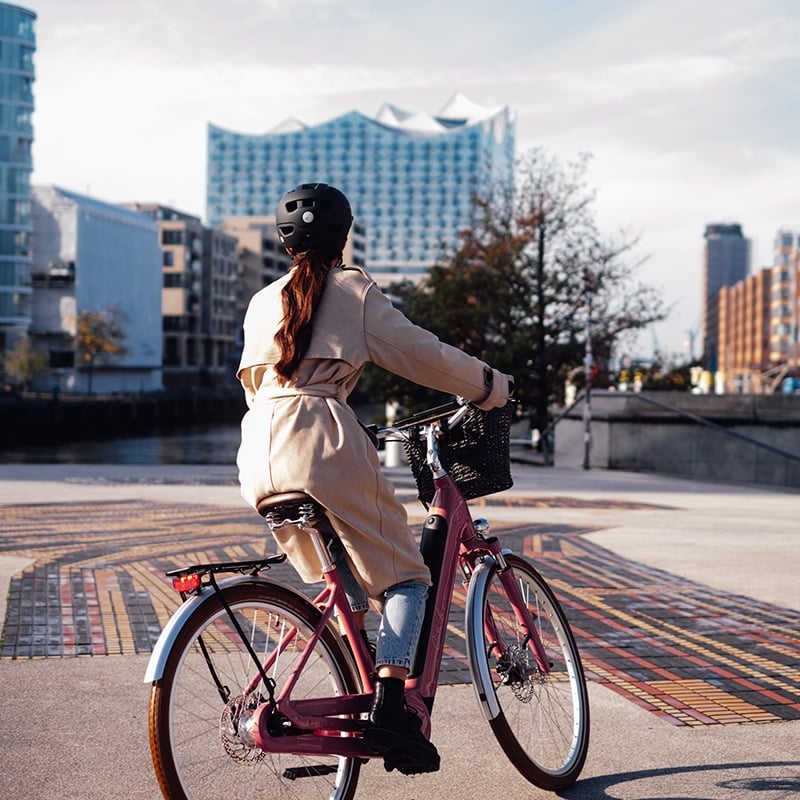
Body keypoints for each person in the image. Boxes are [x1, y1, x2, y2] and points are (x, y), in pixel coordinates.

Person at [236, 182, 513, 771]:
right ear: (344, 236)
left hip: (257, 451)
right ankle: (391, 709)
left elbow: (263, 386)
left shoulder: (261, 302)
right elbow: (424, 354)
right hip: (322, 441)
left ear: (285, 243)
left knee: (346, 579)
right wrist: (490, 386)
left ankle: (358, 678)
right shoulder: (351, 290)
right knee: (408, 579)